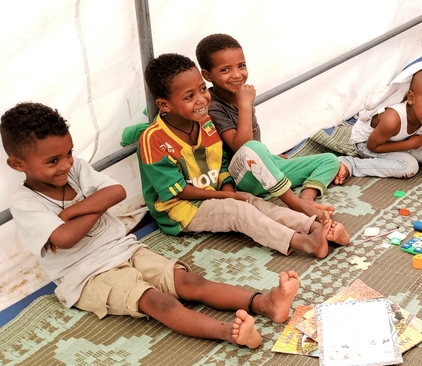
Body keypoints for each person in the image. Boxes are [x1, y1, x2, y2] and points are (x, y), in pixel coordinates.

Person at [3, 102, 302, 349]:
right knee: (156, 301)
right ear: (18, 165)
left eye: (68, 153)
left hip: (125, 249)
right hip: (87, 275)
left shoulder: (76, 168)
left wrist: (76, 211)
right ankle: (231, 333)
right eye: (53, 161)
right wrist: (96, 203)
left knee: (190, 282)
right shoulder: (24, 202)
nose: (66, 164)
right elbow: (66, 239)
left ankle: (266, 304)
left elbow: (116, 192)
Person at [138, 53, 349, 258]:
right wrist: (225, 196)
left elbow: (220, 164)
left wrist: (228, 189)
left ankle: (316, 226)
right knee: (238, 211)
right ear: (165, 105)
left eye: (202, 89)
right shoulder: (153, 139)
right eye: (189, 96)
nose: (202, 100)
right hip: (180, 211)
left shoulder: (205, 123)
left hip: (214, 194)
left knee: (255, 203)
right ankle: (304, 242)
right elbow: (178, 190)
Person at [195, 34, 340, 219]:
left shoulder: (242, 95)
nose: (237, 75)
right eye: (225, 70)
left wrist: (268, 158)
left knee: (329, 160)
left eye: (241, 66)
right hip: (239, 178)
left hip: (258, 169)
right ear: (207, 75)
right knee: (254, 148)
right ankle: (297, 205)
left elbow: (256, 143)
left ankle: (307, 198)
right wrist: (245, 105)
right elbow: (244, 147)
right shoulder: (213, 106)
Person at [333, 61, 422, 183]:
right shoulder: (392, 119)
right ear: (411, 98)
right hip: (367, 143)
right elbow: (372, 146)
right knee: (408, 166)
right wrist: (409, 145)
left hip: (395, 139)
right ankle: (350, 164)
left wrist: (411, 143)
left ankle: (402, 151)